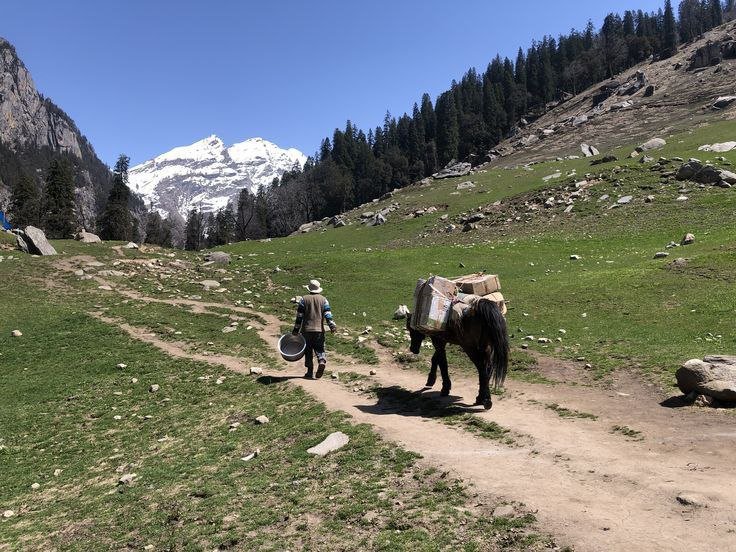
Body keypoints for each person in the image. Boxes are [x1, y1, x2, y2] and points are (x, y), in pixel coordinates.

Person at [292, 279, 337, 379]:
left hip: (306, 330)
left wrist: (296, 330)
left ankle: (309, 371)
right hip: (319, 330)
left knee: (308, 350)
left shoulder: (304, 299)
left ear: (309, 289)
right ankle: (321, 360)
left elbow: (300, 316)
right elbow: (327, 314)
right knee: (319, 348)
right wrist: (332, 326)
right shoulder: (323, 300)